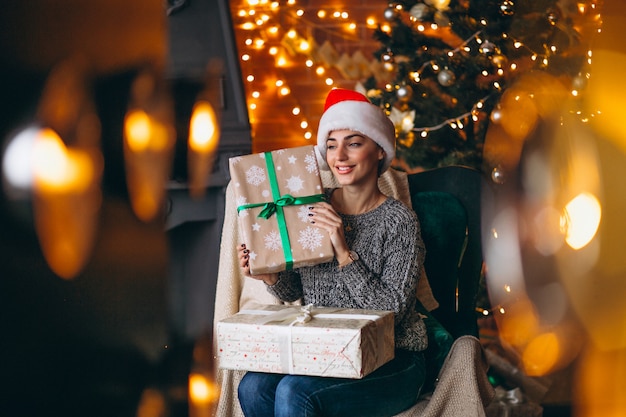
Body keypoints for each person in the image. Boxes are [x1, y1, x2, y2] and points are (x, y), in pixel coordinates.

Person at [236, 88, 427, 417]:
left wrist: (342, 250)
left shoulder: (399, 222)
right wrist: (272, 276)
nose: (339, 156)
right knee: (251, 386)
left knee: (295, 394)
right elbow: (297, 290)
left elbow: (391, 313)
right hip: (327, 348)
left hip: (394, 357)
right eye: (331, 144)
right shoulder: (310, 204)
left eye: (353, 143)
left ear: (379, 151)